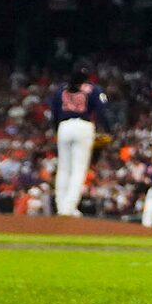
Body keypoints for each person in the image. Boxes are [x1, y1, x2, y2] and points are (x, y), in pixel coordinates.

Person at [48, 73, 105, 218]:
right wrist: (107, 128)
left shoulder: (61, 89)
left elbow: (53, 111)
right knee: (78, 170)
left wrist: (57, 129)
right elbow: (101, 110)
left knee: (63, 168)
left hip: (64, 126)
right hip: (83, 126)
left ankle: (61, 206)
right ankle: (69, 207)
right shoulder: (93, 89)